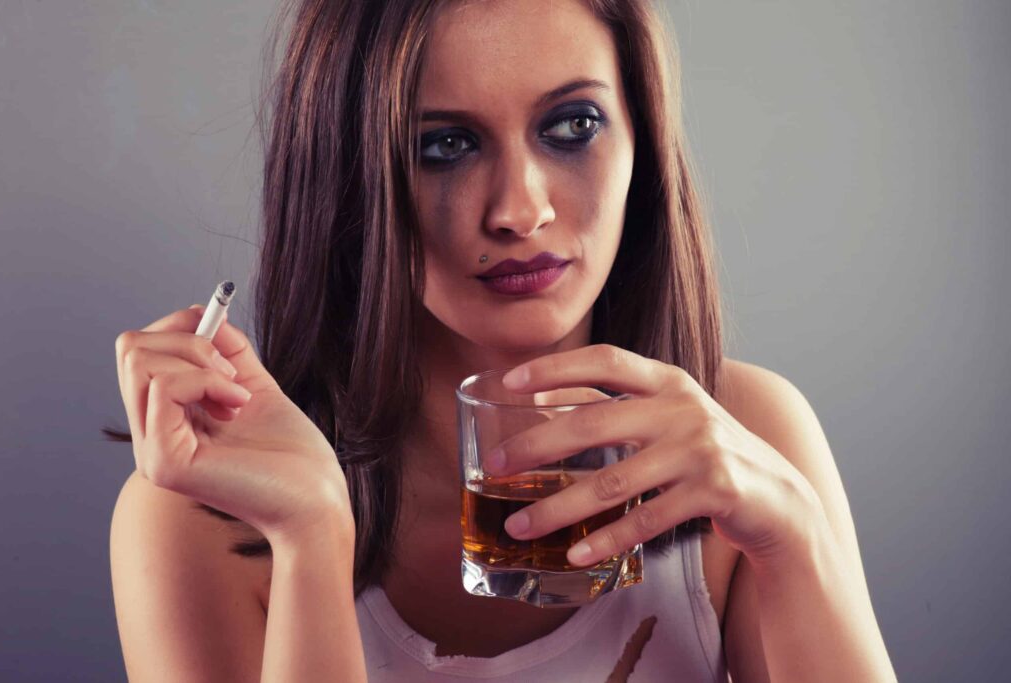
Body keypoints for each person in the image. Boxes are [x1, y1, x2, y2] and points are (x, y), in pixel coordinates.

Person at [107, 0, 897, 681]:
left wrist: (795, 536)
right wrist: (312, 535)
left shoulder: (749, 431)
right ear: (348, 175)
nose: (520, 209)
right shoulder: (203, 517)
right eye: (445, 145)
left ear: (643, 142)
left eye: (572, 125)